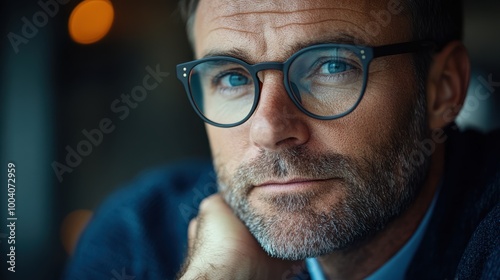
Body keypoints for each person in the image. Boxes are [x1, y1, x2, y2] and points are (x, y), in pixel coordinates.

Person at [64, 0, 500, 279]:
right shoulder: (139, 236)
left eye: (331, 67)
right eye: (233, 77)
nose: (269, 129)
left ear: (443, 87)